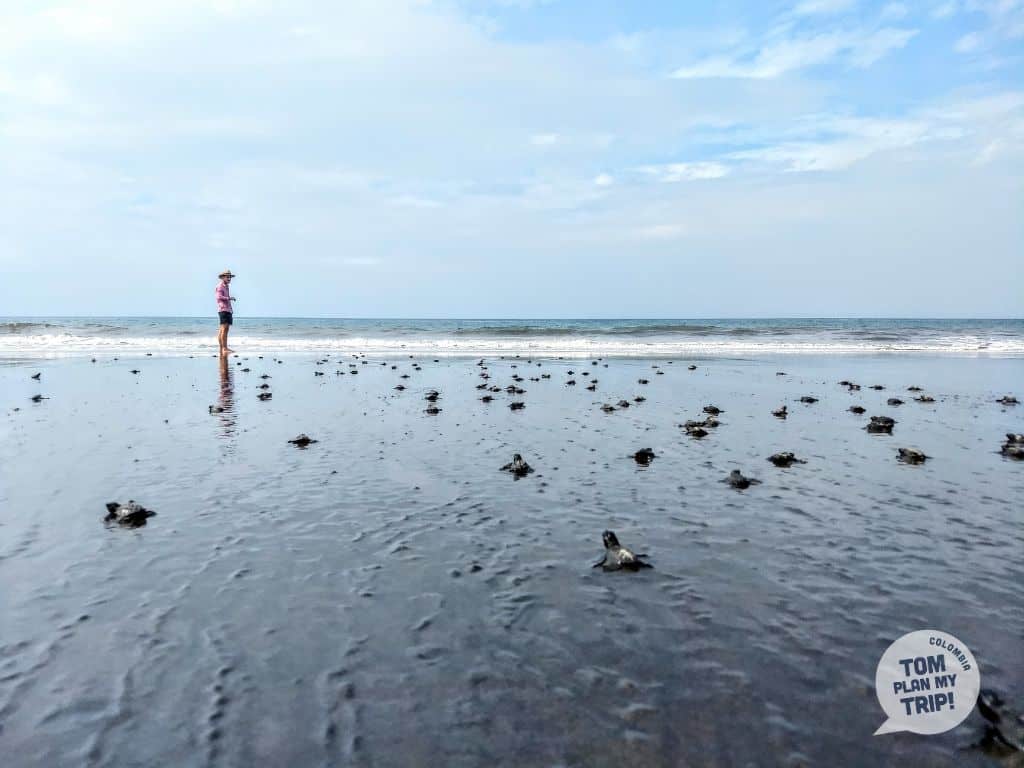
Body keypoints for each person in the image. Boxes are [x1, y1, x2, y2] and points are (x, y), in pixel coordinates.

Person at [216, 269, 237, 355]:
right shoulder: (220, 286)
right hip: (223, 309)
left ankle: (223, 348)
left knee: (224, 329)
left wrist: (231, 309)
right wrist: (229, 298)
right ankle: (224, 348)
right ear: (223, 277)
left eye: (230, 277)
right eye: (227, 277)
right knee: (223, 329)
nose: (229, 278)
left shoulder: (226, 286)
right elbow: (218, 297)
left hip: (227, 309)